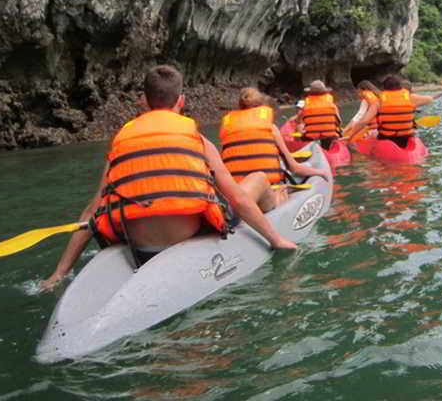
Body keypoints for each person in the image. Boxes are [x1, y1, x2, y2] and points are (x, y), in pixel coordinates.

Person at [41, 65, 296, 290]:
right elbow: (238, 199)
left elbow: (91, 212)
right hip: (187, 234)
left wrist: (59, 272)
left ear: (144, 101)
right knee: (259, 178)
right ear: (181, 100)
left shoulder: (121, 143)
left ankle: (59, 275)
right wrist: (276, 239)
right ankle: (276, 201)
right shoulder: (197, 139)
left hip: (140, 243)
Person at [219, 87, 329, 210]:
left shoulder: (228, 130)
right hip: (265, 195)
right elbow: (295, 168)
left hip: (237, 193)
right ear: (261, 106)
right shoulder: (271, 128)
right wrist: (320, 172)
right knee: (281, 190)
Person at [376, 74, 436, 149]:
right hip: (405, 138)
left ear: (384, 88)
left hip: (386, 137)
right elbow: (430, 99)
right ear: (400, 87)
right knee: (414, 130)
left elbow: (365, 121)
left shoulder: (379, 101)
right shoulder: (411, 98)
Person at [300, 80, 342, 149]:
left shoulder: (306, 104)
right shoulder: (332, 104)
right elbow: (339, 122)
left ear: (310, 93)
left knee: (302, 132)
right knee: (337, 132)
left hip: (311, 137)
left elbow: (301, 121)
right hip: (330, 136)